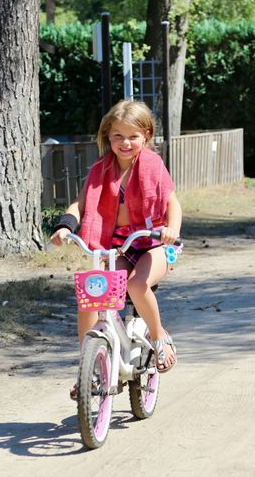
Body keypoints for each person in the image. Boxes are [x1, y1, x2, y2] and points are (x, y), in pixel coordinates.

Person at [50, 100, 181, 398]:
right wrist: (64, 226)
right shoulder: (100, 171)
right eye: (117, 136)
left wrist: (172, 228)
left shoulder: (152, 166)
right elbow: (80, 206)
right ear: (108, 136)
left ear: (146, 136)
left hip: (154, 242)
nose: (125, 143)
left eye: (133, 136)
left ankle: (160, 337)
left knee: (136, 285)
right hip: (118, 248)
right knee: (93, 296)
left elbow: (173, 202)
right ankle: (89, 367)